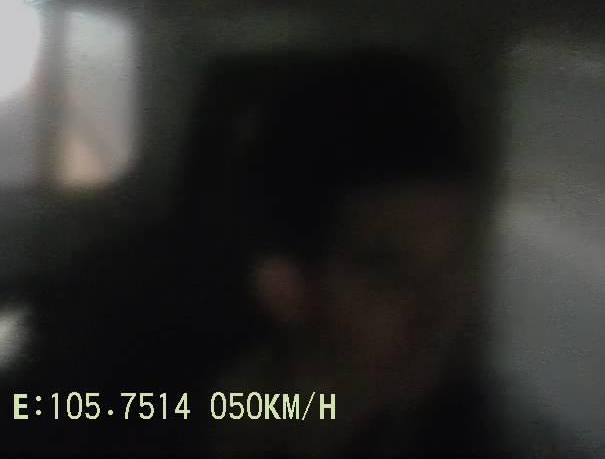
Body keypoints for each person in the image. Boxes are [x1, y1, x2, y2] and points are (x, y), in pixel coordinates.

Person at [208, 52, 519, 458]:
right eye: (392, 279)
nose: (439, 316)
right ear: (286, 289)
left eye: (452, 266)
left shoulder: (461, 420)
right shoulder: (191, 423)